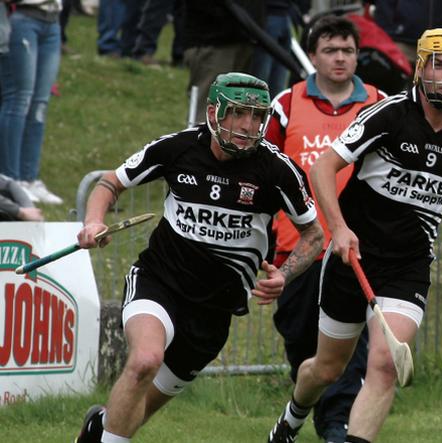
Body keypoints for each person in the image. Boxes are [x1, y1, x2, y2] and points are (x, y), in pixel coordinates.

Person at [73, 72, 324, 443]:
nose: (248, 125)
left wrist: (284, 275)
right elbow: (110, 182)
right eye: (238, 113)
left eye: (257, 116)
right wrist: (94, 221)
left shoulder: (276, 170)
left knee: (139, 409)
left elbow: (314, 234)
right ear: (213, 112)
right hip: (159, 280)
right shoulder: (179, 148)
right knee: (144, 362)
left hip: (214, 308)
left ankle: (100, 428)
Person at [266, 28, 442, 443]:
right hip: (353, 258)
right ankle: (293, 416)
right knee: (326, 368)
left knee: (384, 364)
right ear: (421, 68)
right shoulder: (387, 116)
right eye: (440, 64)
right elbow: (322, 169)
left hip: (409, 265)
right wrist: (342, 229)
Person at [266, 15, 387, 442]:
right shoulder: (286, 104)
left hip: (352, 246)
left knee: (346, 342)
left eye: (348, 51)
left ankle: (337, 422)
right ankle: (302, 410)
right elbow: (264, 170)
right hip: (296, 246)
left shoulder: (378, 102)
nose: (340, 58)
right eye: (331, 50)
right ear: (312, 55)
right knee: (302, 342)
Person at [0, 0, 64, 205]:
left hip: (52, 19)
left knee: (39, 105)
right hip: (21, 17)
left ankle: (29, 179)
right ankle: (10, 180)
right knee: (19, 100)